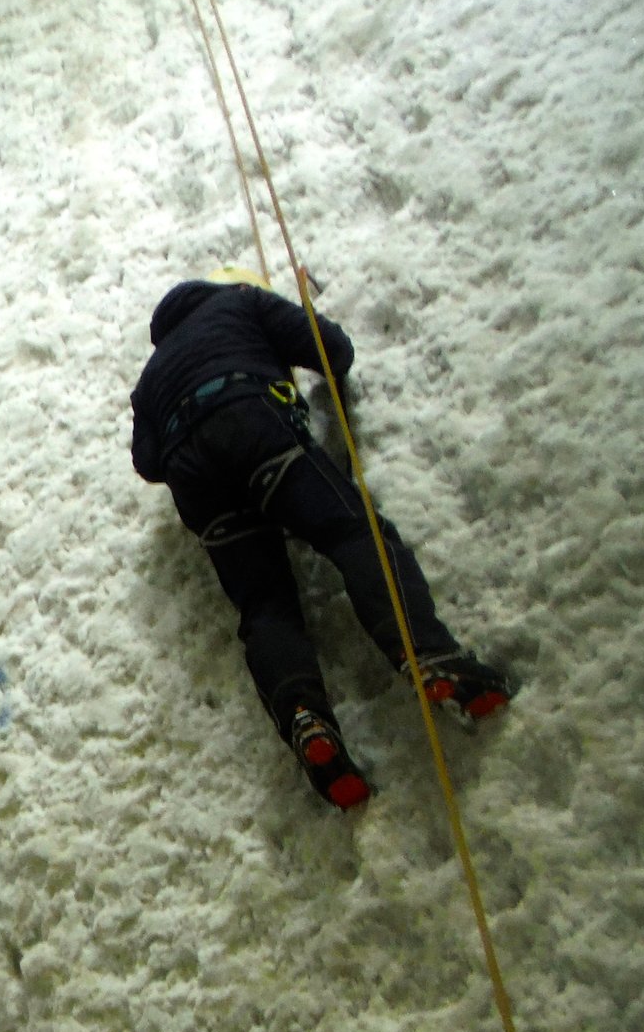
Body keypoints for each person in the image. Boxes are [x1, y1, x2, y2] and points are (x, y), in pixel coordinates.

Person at [130, 267, 512, 809]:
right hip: (253, 419)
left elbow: (147, 462)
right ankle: (427, 655)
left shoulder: (149, 379)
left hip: (195, 477)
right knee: (350, 531)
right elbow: (332, 350)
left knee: (264, 605)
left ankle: (307, 722)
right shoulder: (239, 302)